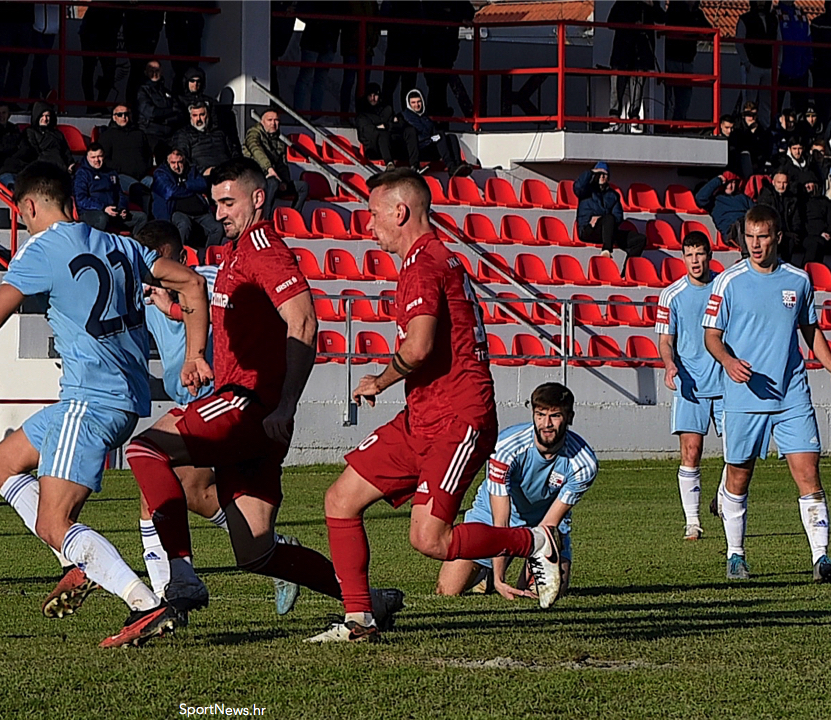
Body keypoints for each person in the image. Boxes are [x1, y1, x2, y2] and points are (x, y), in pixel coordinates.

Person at [0, 161, 213, 648]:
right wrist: (195, 354)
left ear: (29, 205)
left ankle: (143, 603)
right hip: (119, 400)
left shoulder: (42, 249)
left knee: (54, 523)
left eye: (21, 213)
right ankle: (78, 562)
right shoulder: (122, 244)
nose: (23, 222)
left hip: (90, 401)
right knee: (3, 461)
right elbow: (194, 284)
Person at [125, 158, 406, 634]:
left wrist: (286, 404)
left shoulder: (263, 249)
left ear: (258, 198)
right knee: (256, 551)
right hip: (254, 412)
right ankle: (366, 600)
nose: (219, 213)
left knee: (143, 447)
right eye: (215, 204)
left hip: (249, 404)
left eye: (228, 202)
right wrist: (199, 355)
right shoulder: (235, 253)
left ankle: (181, 577)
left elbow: (305, 322)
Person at [311, 169, 564, 643]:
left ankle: (532, 540)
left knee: (429, 539)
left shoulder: (426, 265)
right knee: (340, 500)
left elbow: (420, 347)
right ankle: (360, 620)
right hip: (422, 416)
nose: (368, 227)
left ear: (399, 212)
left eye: (373, 215)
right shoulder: (426, 262)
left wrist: (380, 380)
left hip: (456, 418)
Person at [132, 220, 301, 614]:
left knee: (152, 474)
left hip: (223, 400)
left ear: (178, 257)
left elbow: (204, 305)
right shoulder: (143, 294)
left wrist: (172, 306)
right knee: (190, 493)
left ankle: (168, 594)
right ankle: (273, 550)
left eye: (163, 264)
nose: (158, 274)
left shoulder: (205, 278)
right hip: (191, 401)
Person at [703, 205, 831, 582]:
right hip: (744, 397)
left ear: (777, 238)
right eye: (749, 237)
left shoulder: (798, 281)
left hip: (791, 395)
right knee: (738, 476)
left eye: (762, 236)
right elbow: (711, 336)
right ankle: (736, 556)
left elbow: (810, 330)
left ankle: (821, 558)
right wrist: (729, 362)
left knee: (808, 472)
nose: (755, 244)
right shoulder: (728, 281)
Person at [435, 384, 598, 600]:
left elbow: (549, 523)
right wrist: (500, 579)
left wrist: (538, 552)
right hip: (491, 516)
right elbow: (500, 521)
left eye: (555, 416)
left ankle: (498, 573)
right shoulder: (505, 446)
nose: (546, 424)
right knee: (447, 591)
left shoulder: (584, 463)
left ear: (570, 417)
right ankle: (488, 575)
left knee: (542, 595)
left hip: (543, 524)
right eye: (540, 415)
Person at [656, 231, 725, 541]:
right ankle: (693, 522)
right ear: (683, 258)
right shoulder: (671, 295)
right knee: (691, 451)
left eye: (700, 254)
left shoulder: (725, 288)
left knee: (739, 453)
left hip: (727, 382)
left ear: (709, 255)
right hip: (691, 384)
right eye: (689, 255)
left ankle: (723, 496)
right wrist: (670, 365)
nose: (695, 261)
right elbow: (665, 341)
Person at [574, 163, 648, 268]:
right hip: (589, 229)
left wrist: (602, 219)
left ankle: (627, 272)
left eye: (605, 174)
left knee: (640, 239)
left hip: (608, 230)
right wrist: (591, 172)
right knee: (608, 218)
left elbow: (618, 216)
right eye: (600, 174)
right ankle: (606, 251)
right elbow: (578, 186)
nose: (602, 177)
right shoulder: (586, 191)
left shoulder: (613, 195)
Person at [605, 0, 664, 134]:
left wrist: (652, 6)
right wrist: (629, 23)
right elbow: (611, 21)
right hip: (622, 51)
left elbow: (661, 18)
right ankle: (614, 118)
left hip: (641, 53)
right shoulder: (623, 2)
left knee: (637, 86)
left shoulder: (651, 3)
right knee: (617, 86)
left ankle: (634, 119)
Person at [243, 109, 309, 220]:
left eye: (276, 120)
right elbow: (256, 150)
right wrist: (268, 168)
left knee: (303, 186)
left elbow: (282, 164)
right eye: (270, 120)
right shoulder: (254, 133)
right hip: (256, 179)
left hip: (275, 180)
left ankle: (293, 218)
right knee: (272, 182)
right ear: (262, 121)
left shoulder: (278, 140)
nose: (273, 123)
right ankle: (265, 219)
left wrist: (284, 181)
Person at [152, 148, 223, 247]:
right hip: (176, 211)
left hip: (198, 210)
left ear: (184, 161)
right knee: (183, 225)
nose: (176, 166)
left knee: (217, 228)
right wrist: (192, 189)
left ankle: (208, 256)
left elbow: (203, 184)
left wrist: (184, 185)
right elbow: (171, 192)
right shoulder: (160, 173)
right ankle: (178, 256)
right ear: (168, 162)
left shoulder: (191, 170)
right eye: (173, 163)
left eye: (180, 162)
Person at [74, 144, 147, 236]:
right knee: (102, 218)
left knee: (141, 217)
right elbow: (81, 200)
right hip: (92, 212)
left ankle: (134, 245)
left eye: (99, 156)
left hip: (113, 212)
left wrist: (122, 208)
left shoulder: (110, 172)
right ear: (87, 157)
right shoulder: (82, 174)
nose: (97, 160)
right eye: (93, 157)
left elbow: (119, 193)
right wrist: (103, 208)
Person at [400, 89, 471, 177]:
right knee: (440, 135)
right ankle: (450, 166)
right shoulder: (406, 117)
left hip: (429, 146)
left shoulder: (424, 116)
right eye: (413, 103)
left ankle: (458, 164)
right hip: (419, 149)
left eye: (419, 102)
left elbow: (432, 130)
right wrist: (431, 139)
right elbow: (418, 134)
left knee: (451, 137)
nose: (417, 105)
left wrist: (434, 137)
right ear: (409, 104)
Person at [663, 0, 709, 123]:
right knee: (666, 97)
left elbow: (709, 30)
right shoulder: (675, 10)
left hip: (687, 61)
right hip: (671, 60)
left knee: (684, 98)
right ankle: (665, 124)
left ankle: (678, 124)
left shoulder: (697, 13)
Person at [292, 2, 342, 113]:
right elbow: (301, 10)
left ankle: (309, 114)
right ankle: (302, 113)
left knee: (315, 79)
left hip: (323, 40)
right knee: (309, 78)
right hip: (317, 40)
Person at [171, 102, 240, 177]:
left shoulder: (220, 132)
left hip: (228, 172)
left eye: (202, 115)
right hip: (203, 176)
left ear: (208, 115)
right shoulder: (184, 135)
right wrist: (202, 170)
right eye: (195, 115)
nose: (198, 119)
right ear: (190, 116)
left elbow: (234, 152)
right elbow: (182, 159)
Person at [736, 0, 776, 123]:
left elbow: (778, 43)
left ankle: (765, 126)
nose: (761, 3)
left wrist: (777, 65)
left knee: (766, 101)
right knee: (749, 100)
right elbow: (739, 42)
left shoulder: (773, 19)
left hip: (769, 66)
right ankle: (746, 126)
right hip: (752, 66)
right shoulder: (745, 19)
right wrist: (747, 62)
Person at [756, 171, 808, 263]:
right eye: (779, 182)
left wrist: (795, 232)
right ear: (773, 182)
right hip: (771, 232)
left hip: (787, 234)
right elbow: (765, 218)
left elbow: (797, 220)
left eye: (784, 183)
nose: (782, 186)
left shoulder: (792, 198)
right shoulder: (766, 196)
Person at [696, 171, 754, 250]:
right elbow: (700, 198)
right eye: (728, 182)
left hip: (750, 226)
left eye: (733, 182)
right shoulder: (715, 201)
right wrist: (718, 180)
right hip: (732, 232)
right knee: (740, 225)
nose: (731, 186)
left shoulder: (743, 198)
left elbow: (757, 210)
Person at [78, 3, 121, 106]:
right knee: (89, 69)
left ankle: (99, 104)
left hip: (108, 32)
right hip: (91, 29)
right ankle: (91, 105)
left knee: (109, 72)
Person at [13, 102, 75, 175]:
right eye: (42, 116)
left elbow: (66, 151)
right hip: (41, 169)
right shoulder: (30, 132)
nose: (45, 119)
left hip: (61, 169)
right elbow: (33, 152)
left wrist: (70, 163)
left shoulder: (57, 134)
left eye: (47, 116)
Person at [775, 0, 812, 113]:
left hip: (800, 70)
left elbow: (808, 41)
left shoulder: (801, 14)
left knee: (801, 108)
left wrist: (806, 63)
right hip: (780, 70)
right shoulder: (775, 14)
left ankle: (800, 129)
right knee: (775, 105)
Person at [355, 82, 404, 168]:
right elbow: (368, 131)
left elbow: (397, 126)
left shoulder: (387, 109)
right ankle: (389, 163)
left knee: (408, 132)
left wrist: (386, 126)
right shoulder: (363, 114)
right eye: (370, 96)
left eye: (375, 95)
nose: (373, 98)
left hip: (391, 144)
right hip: (373, 148)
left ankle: (416, 165)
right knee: (383, 135)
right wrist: (386, 128)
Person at [137, 61, 182, 153]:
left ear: (162, 72)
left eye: (157, 70)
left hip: (170, 135)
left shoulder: (167, 92)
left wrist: (166, 119)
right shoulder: (142, 91)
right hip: (151, 134)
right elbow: (151, 113)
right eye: (151, 70)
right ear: (145, 72)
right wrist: (171, 111)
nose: (154, 73)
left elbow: (179, 112)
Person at [735, 101, 776, 173]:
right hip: (740, 161)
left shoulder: (762, 131)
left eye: (754, 114)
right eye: (749, 115)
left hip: (758, 162)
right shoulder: (737, 129)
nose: (752, 117)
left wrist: (758, 163)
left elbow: (765, 150)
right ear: (743, 115)